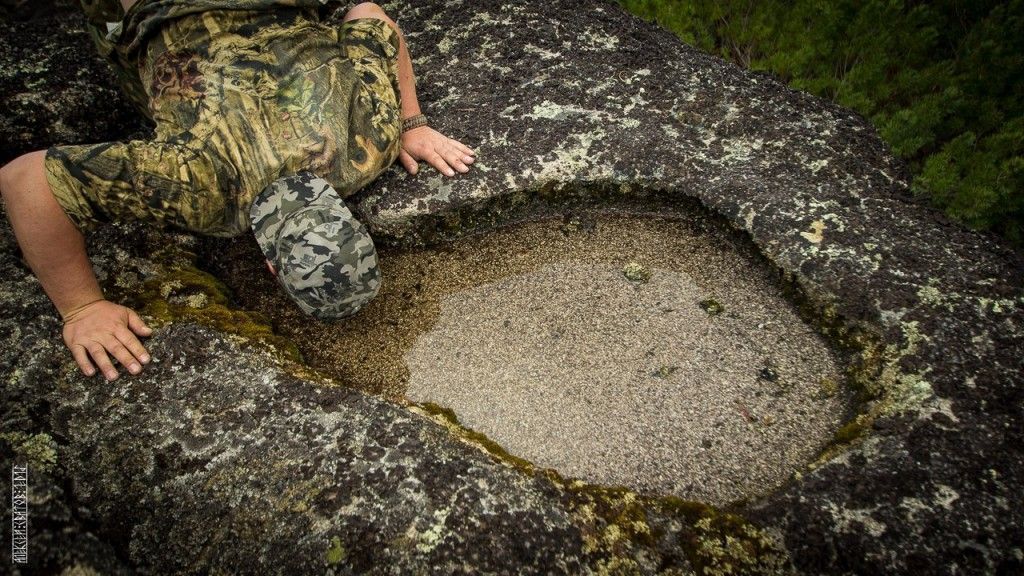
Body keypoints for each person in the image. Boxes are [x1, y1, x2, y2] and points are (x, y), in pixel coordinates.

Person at [0, 0, 475, 382]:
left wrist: (409, 124)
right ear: (269, 265)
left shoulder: (367, 143)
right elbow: (25, 178)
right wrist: (82, 307)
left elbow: (369, 16)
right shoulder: (202, 188)